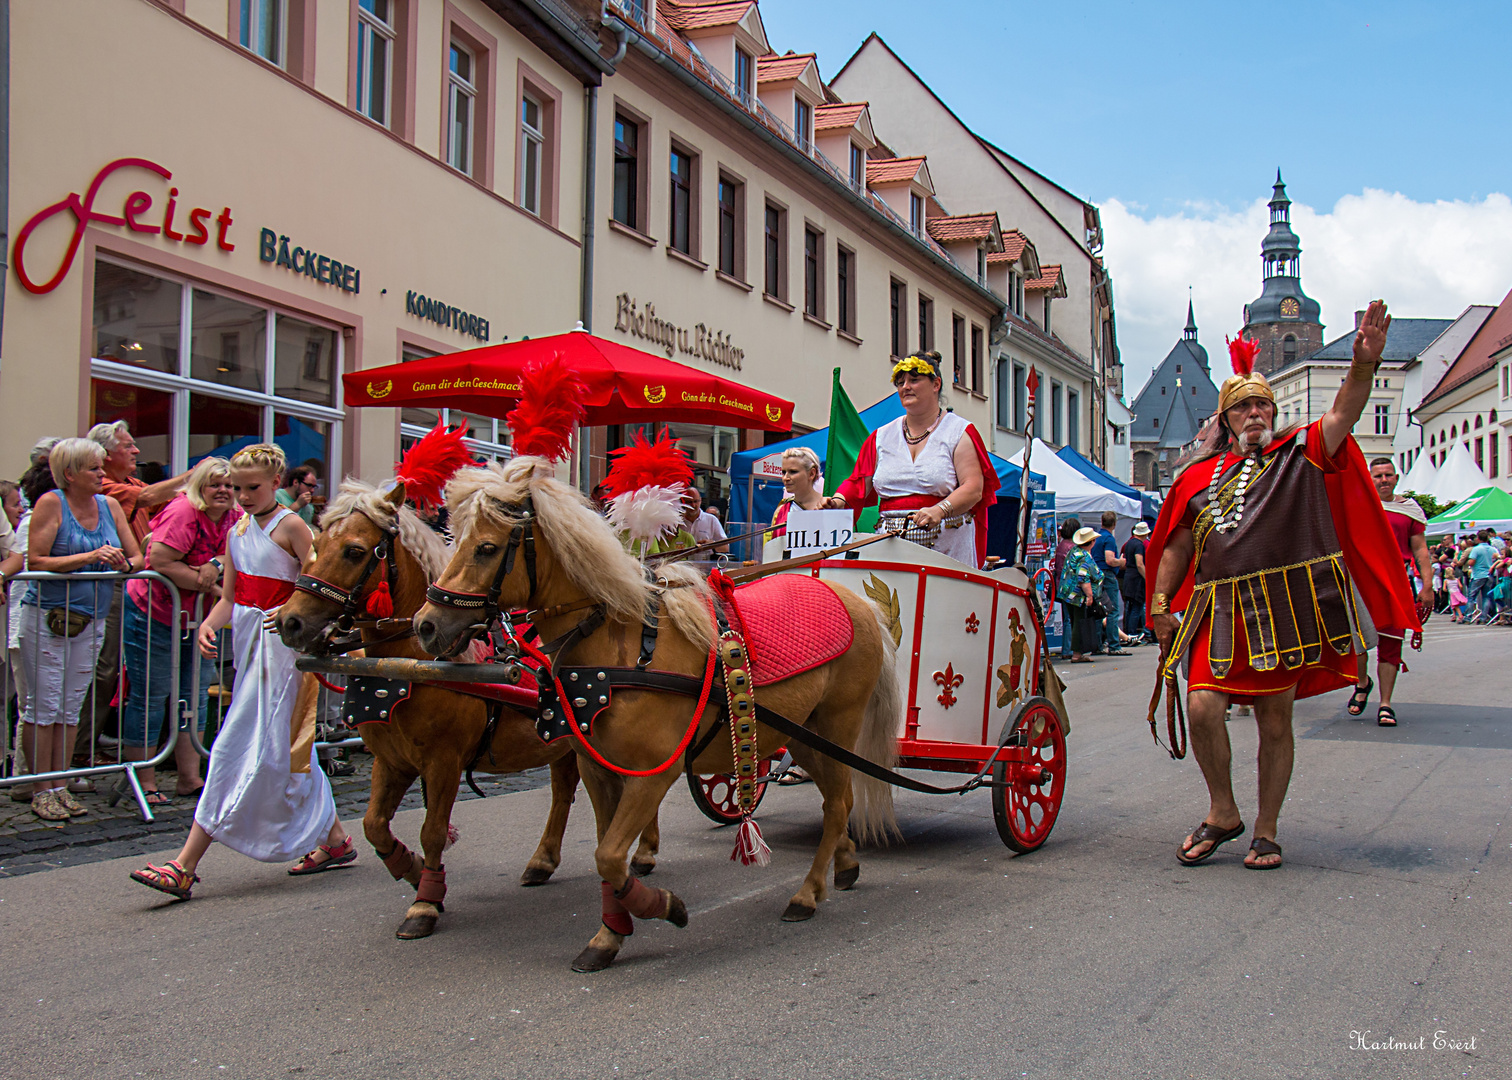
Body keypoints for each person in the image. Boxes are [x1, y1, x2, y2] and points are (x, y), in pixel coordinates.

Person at [1146, 302, 1418, 871]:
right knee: (1201, 708)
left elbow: (1343, 414)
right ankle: (1224, 811)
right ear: (1225, 419)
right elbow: (1176, 543)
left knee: (1275, 720)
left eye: (1262, 405)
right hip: (1216, 608)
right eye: (1242, 406)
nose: (1254, 413)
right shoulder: (1197, 477)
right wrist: (1160, 601)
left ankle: (1266, 829)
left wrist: (1363, 368)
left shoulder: (1301, 452)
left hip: (1282, 609)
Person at [130, 444, 353, 901]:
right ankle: (334, 839)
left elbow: (322, 588)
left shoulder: (293, 526)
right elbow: (230, 597)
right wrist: (211, 624)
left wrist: (291, 610)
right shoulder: (237, 531)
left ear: (276, 483)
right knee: (288, 748)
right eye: (236, 488)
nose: (243, 496)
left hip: (286, 651)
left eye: (252, 487)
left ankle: (185, 863)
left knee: (240, 746)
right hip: (251, 647)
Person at [17, 438, 143, 822]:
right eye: (94, 468)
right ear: (69, 473)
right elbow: (35, 558)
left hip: (93, 618)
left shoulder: (109, 506)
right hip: (49, 616)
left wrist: (123, 563)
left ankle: (61, 782)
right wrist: (89, 558)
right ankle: (42, 788)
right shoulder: (51, 503)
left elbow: (137, 556)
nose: (102, 474)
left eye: (102, 467)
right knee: (44, 704)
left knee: (71, 705)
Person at [120, 457, 242, 803]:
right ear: (199, 486)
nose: (224, 491)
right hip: (155, 612)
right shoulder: (182, 512)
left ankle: (189, 777)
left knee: (196, 693)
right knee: (152, 694)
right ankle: (144, 780)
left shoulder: (234, 517)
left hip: (199, 617)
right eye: (215, 484)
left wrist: (215, 565)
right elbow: (158, 560)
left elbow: (233, 553)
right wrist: (210, 584)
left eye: (229, 485)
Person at [826, 352, 1000, 568]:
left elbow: (974, 488)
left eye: (914, 380)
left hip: (948, 548)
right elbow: (858, 483)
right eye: (900, 382)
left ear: (936, 384)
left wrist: (940, 510)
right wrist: (837, 501)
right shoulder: (881, 437)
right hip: (890, 544)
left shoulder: (959, 431)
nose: (905, 387)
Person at [82, 421, 191, 754]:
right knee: (104, 668)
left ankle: (102, 740)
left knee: (127, 673)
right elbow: (146, 497)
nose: (136, 450)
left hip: (140, 586)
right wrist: (192, 477)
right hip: (116, 586)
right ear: (105, 454)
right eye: (128, 445)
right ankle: (79, 747)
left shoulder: (129, 482)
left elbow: (161, 503)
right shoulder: (104, 488)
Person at [1346, 459, 1434, 726]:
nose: (1383, 480)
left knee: (1391, 645)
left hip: (1396, 583)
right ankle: (1362, 683)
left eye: (1387, 475)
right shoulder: (1358, 504)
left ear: (1396, 478)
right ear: (1369, 479)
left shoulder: (1409, 509)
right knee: (1358, 642)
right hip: (1362, 581)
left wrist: (1427, 586)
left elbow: (1420, 549)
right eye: (1377, 476)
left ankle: (1385, 704)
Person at [2, 458, 59, 803]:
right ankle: (26, 778)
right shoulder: (32, 523)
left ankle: (46, 777)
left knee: (44, 704)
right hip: (24, 625)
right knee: (33, 705)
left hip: (40, 626)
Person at [1056, 527, 1103, 663]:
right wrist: (1089, 595)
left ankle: (1076, 652)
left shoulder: (1073, 551)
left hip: (1067, 593)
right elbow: (1083, 577)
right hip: (1078, 595)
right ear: (1092, 542)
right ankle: (1077, 654)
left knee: (1073, 621)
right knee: (1078, 622)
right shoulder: (1084, 556)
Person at [1090, 511, 1130, 655]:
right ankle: (1114, 645)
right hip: (1107, 574)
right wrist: (1122, 562)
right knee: (1112, 610)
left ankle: (1097, 645)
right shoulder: (1109, 539)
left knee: (1098, 610)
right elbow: (1110, 560)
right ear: (1114, 523)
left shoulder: (1096, 538)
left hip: (1096, 574)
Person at [768, 447, 828, 538]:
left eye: (793, 472)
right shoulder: (781, 511)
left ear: (812, 473)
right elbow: (772, 547)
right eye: (784, 472)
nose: (785, 478)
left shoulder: (827, 506)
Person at [1050, 518, 1081, 660]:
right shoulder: (1072, 548)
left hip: (1060, 585)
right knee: (1071, 619)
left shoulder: (1061, 545)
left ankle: (1066, 648)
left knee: (1066, 618)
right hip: (1070, 586)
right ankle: (1068, 648)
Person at [1120, 521, 1152, 643]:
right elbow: (1139, 564)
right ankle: (1132, 634)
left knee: (1130, 607)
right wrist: (1147, 578)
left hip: (1128, 577)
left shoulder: (1128, 543)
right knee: (1137, 607)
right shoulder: (1139, 545)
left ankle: (1128, 633)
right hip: (1136, 579)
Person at [1460, 530, 1497, 622]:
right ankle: (1483, 617)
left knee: (1471, 597)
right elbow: (1497, 558)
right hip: (1488, 575)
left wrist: (1468, 562)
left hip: (1477, 575)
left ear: (1478, 538)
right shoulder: (1493, 549)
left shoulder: (1476, 549)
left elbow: (1471, 562)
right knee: (1486, 597)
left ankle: (1468, 617)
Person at [682, 487, 728, 553]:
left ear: (700, 500)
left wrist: (711, 544)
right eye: (689, 502)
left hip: (706, 561)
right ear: (683, 502)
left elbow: (725, 548)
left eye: (695, 501)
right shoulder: (677, 521)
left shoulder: (712, 520)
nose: (693, 505)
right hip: (682, 562)